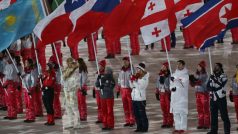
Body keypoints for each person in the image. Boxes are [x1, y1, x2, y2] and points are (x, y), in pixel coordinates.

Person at [207, 63, 230, 134]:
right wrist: (210, 88)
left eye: (217, 66)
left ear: (220, 67)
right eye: (215, 66)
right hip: (212, 98)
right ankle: (213, 131)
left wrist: (215, 80)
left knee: (224, 116)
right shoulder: (212, 76)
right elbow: (208, 86)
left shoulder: (224, 76)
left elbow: (221, 85)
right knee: (213, 116)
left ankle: (227, 131)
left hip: (221, 98)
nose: (215, 67)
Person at [170, 60, 189, 134]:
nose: (178, 65)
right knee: (176, 113)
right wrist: (172, 88)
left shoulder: (185, 75)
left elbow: (183, 84)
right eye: (177, 64)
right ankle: (177, 127)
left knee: (182, 113)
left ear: (183, 65)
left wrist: (175, 80)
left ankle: (183, 128)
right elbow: (171, 85)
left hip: (182, 97)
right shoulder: (174, 74)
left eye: (180, 64)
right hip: (175, 96)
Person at [190, 61, 210, 129]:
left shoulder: (205, 74)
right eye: (197, 66)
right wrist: (191, 81)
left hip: (204, 93)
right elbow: (193, 84)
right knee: (199, 109)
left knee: (205, 109)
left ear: (202, 67)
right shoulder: (197, 74)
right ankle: (201, 123)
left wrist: (195, 81)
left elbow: (202, 83)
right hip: (197, 93)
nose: (198, 67)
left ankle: (206, 124)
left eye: (199, 66)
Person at [62, 58, 82, 129]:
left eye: (69, 62)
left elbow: (77, 82)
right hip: (66, 92)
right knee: (68, 108)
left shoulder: (76, 71)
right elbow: (62, 81)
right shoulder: (66, 70)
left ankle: (78, 123)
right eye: (67, 62)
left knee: (74, 108)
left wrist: (71, 88)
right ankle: (70, 123)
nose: (68, 64)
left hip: (72, 92)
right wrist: (63, 76)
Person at [130, 62, 149, 132]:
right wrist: (131, 81)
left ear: (142, 70)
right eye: (137, 69)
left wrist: (134, 81)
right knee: (136, 114)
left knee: (142, 114)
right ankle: (139, 127)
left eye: (139, 69)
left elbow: (141, 87)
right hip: (134, 98)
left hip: (141, 99)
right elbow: (132, 87)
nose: (137, 71)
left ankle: (145, 127)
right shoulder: (136, 76)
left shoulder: (144, 78)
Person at [117, 57, 135, 127]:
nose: (124, 63)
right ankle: (127, 120)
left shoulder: (131, 70)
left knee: (131, 106)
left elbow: (134, 79)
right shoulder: (121, 70)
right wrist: (118, 89)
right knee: (125, 106)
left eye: (126, 61)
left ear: (129, 61)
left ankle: (132, 120)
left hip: (129, 89)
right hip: (123, 90)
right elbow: (119, 80)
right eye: (124, 61)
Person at [155, 62, 173, 128]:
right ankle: (165, 122)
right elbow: (157, 84)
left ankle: (170, 122)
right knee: (163, 109)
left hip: (167, 93)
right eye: (162, 66)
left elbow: (171, 85)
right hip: (161, 94)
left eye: (164, 67)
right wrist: (157, 92)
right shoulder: (160, 75)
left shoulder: (170, 76)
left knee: (168, 109)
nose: (162, 68)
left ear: (167, 68)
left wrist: (170, 94)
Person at [22, 58, 36, 123]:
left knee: (30, 104)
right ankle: (27, 116)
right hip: (25, 89)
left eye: (26, 62)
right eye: (25, 62)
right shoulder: (25, 71)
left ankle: (31, 117)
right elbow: (23, 80)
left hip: (30, 90)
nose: (25, 64)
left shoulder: (32, 71)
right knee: (27, 104)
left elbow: (34, 81)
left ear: (30, 63)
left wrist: (31, 88)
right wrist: (21, 76)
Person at [230, 64, 238, 130]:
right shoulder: (234, 77)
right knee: (237, 110)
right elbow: (232, 86)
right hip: (235, 95)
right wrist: (231, 93)